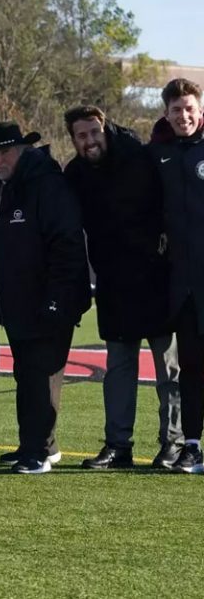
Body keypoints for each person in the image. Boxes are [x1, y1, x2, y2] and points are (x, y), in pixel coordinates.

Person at [63, 105, 182, 470]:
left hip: (156, 278)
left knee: (169, 369)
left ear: (104, 128)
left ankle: (173, 445)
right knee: (119, 369)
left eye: (93, 132)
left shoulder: (139, 157)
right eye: (80, 136)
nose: (89, 141)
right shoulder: (75, 173)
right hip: (113, 282)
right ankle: (118, 446)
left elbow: (173, 202)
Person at [0, 122, 90, 474]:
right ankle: (39, 445)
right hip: (17, 303)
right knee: (27, 375)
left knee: (41, 376)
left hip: (49, 301)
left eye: (3, 152)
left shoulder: (46, 184)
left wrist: (56, 300)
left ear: (21, 149)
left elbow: (66, 246)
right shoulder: (0, 186)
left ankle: (37, 453)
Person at [148, 78, 204, 472]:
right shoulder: (159, 153)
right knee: (191, 369)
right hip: (182, 284)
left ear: (200, 109)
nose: (182, 116)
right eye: (175, 110)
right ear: (165, 114)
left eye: (188, 108)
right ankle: (193, 444)